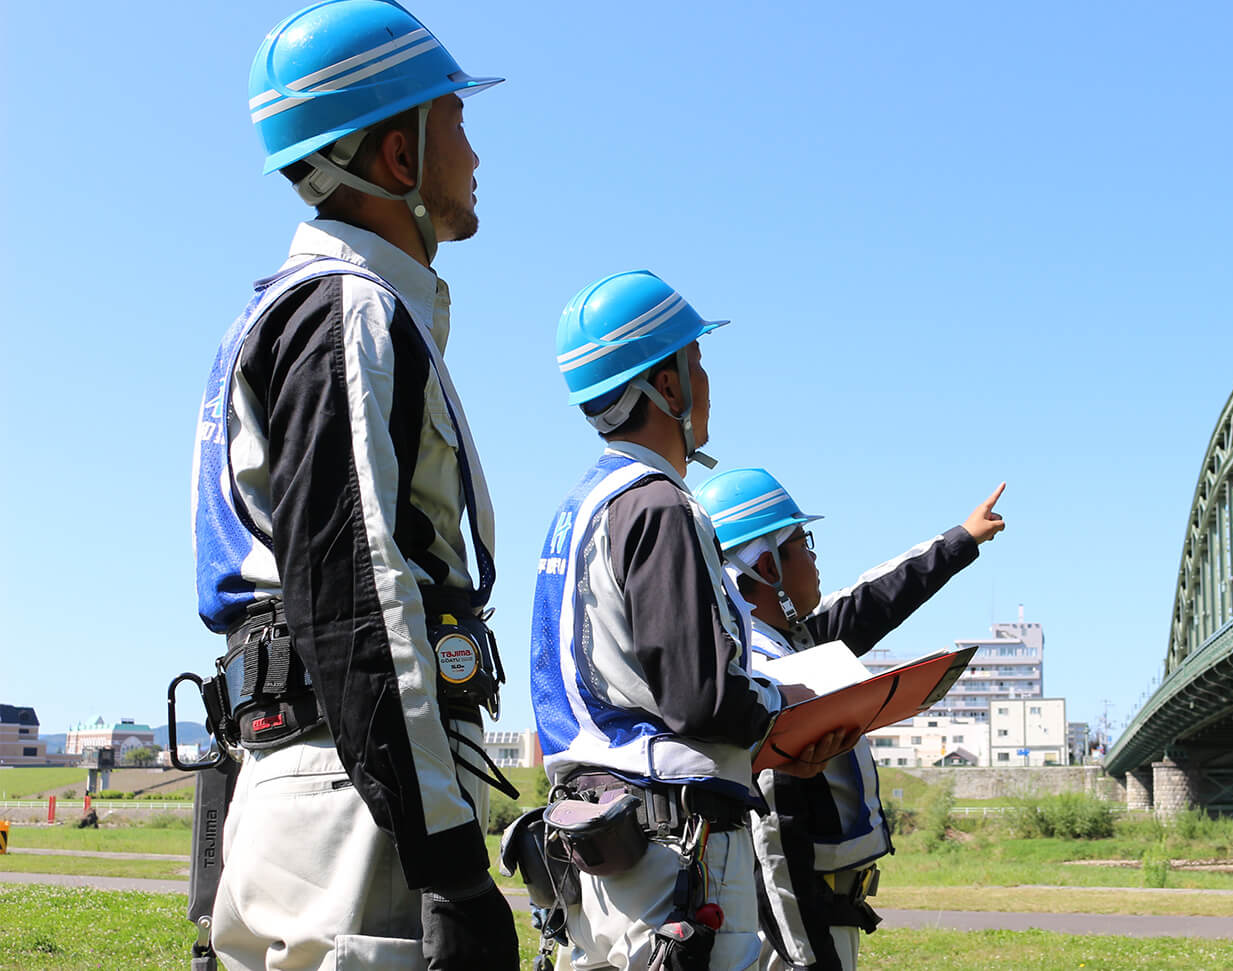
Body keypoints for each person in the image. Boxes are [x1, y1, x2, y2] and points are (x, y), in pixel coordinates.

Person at [188, 3, 514, 968]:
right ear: (399, 156)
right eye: (455, 118)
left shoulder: (300, 311)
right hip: (354, 792)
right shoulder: (347, 313)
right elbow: (360, 592)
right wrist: (450, 862)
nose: (476, 150)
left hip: (321, 767)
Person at [530, 271, 848, 971]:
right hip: (673, 853)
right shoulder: (660, 506)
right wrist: (784, 705)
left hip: (598, 844)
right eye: (696, 362)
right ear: (666, 386)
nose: (706, 382)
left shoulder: (581, 507)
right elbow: (698, 696)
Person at [692, 469, 1006, 971]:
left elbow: (875, 599)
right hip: (796, 926)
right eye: (803, 541)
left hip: (815, 915)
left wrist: (960, 541)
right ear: (768, 564)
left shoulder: (792, 641)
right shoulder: (767, 679)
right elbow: (772, 842)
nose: (814, 556)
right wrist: (807, 957)